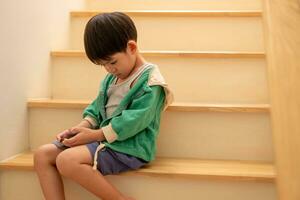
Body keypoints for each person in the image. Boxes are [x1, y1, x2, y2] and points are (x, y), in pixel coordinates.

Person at [33, 12, 173, 200]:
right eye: (103, 65)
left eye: (112, 62)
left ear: (131, 47)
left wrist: (95, 135)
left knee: (66, 160)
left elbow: (135, 120)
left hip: (129, 147)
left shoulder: (151, 82)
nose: (109, 69)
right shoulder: (112, 78)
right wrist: (81, 128)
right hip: (105, 140)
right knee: (42, 155)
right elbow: (97, 107)